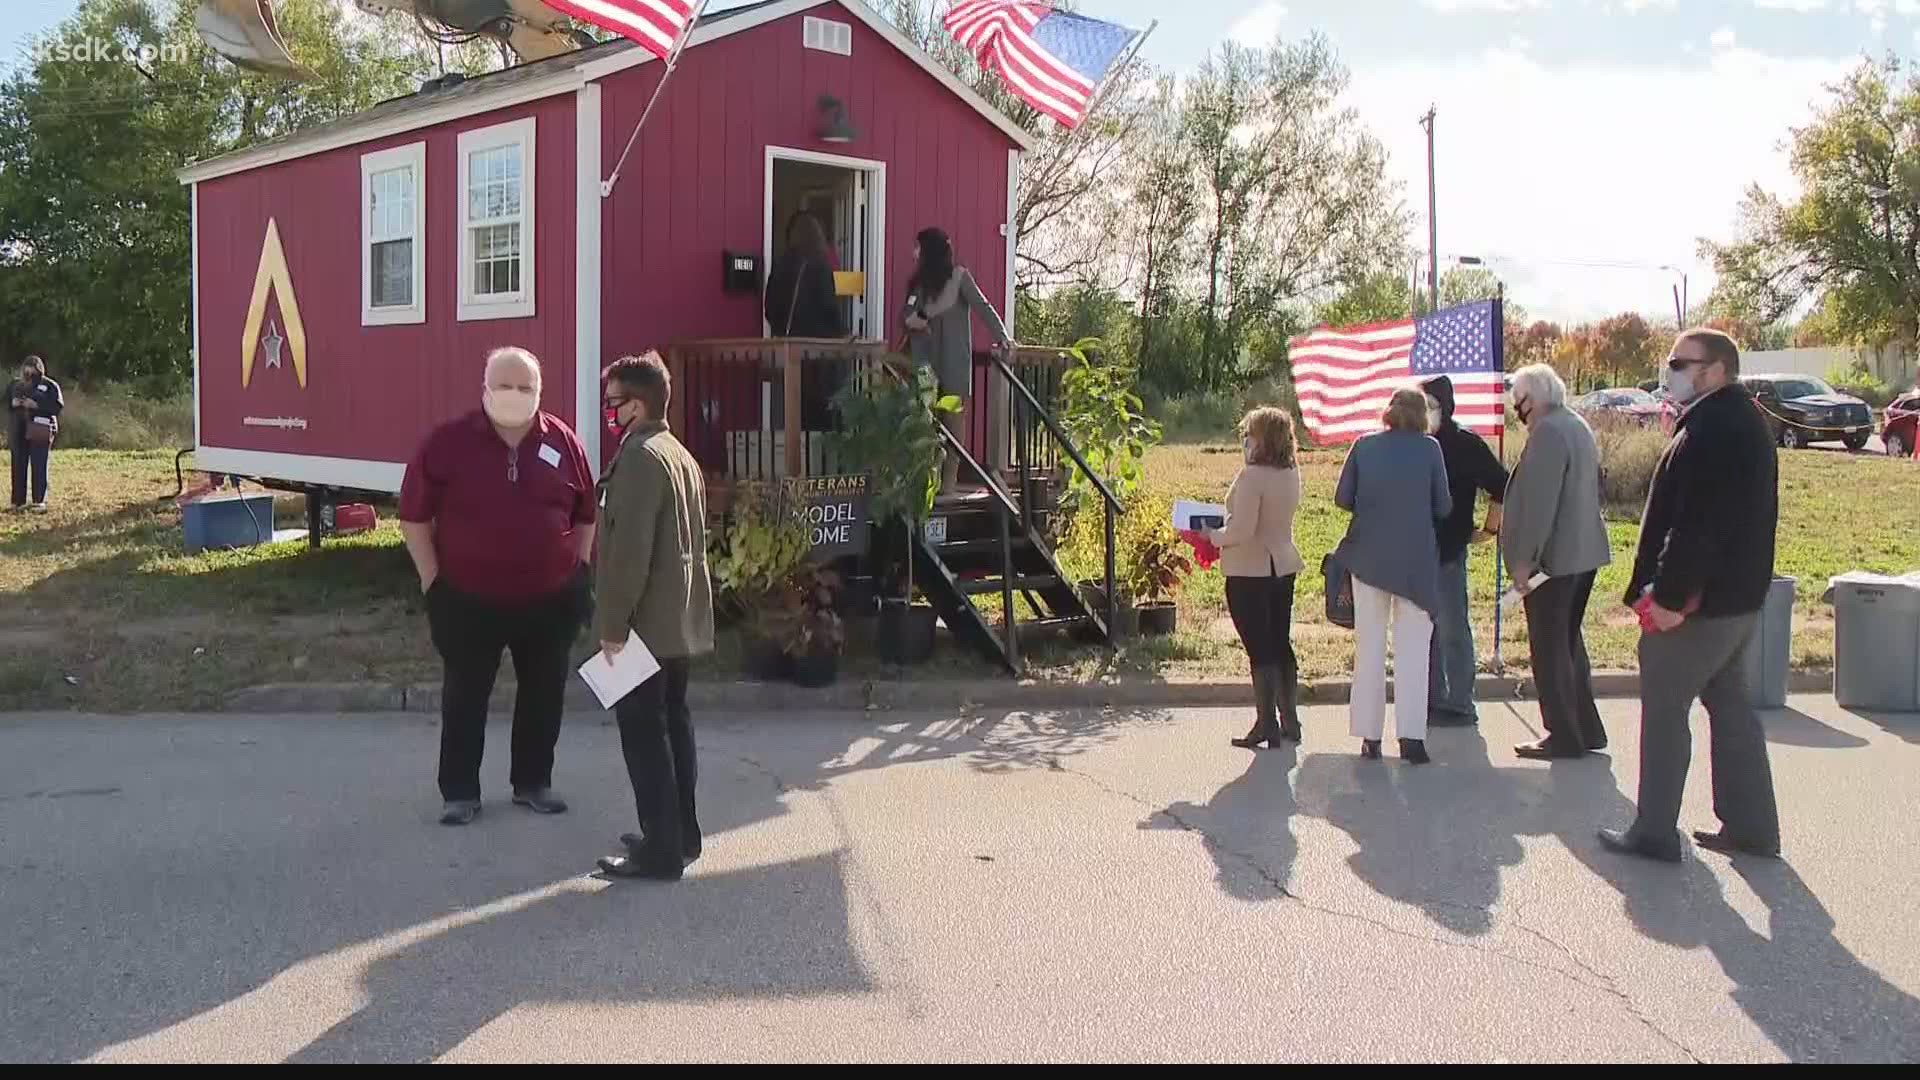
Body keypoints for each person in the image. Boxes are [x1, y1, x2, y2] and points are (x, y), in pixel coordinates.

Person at [1601, 328, 1782, 862]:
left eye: (1683, 362)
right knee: (1731, 709)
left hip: (1700, 607)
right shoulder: (1732, 420)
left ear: (1717, 369)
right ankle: (1751, 828)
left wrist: (1671, 599)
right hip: (1736, 600)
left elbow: (1698, 526)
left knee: (1664, 711)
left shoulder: (1718, 428)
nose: (1672, 370)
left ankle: (1654, 831)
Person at [398, 347, 597, 826]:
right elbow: (413, 517)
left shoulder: (564, 443)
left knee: (544, 693)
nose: (514, 394)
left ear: (540, 392)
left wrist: (580, 570)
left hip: (550, 599)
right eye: (504, 384)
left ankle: (533, 782)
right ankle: (460, 792)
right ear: (485, 388)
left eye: (524, 387)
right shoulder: (448, 443)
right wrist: (432, 581)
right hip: (467, 599)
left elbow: (587, 514)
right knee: (465, 695)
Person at [592, 351, 716, 882]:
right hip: (678, 621)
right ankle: (680, 835)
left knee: (645, 738)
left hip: (645, 625)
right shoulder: (677, 452)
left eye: (613, 403)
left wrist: (613, 630)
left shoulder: (641, 458)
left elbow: (628, 555)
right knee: (673, 728)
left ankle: (660, 851)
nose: (608, 412)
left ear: (637, 406)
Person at [1333, 387, 1452, 764]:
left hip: (1367, 558)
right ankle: (1411, 738)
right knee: (1414, 652)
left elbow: (1342, 498)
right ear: (1422, 416)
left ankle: (1370, 737)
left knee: (1369, 649)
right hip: (1415, 562)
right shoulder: (1431, 450)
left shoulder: (1363, 446)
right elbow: (1444, 505)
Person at [1501, 364, 1612, 760]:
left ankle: (1563, 734)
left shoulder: (1548, 432)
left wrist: (1522, 561)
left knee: (1549, 649)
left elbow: (1539, 504)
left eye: (1521, 403)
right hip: (1582, 552)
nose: (1519, 413)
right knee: (1568, 645)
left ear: (1538, 397)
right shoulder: (1575, 424)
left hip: (1555, 560)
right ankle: (1585, 728)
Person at [1209, 407, 1305, 749]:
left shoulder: (1251, 477)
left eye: (1249, 434)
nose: (1245, 440)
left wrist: (1212, 536)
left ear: (1261, 438)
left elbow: (1242, 529)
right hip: (1282, 564)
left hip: (1250, 569)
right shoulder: (1291, 471)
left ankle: (1266, 723)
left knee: (1258, 648)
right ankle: (1289, 718)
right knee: (1280, 642)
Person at [1420, 375, 1508, 726]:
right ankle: (1430, 700)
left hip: (1450, 550)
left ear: (1447, 406)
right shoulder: (1412, 442)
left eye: (1431, 406)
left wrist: (1489, 529)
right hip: (1414, 551)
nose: (1426, 413)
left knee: (1453, 627)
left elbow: (1501, 485)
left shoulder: (1465, 443)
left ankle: (1460, 703)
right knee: (1424, 632)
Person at [901, 227, 1011, 492]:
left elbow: (983, 307)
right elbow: (906, 317)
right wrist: (918, 319)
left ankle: (948, 483)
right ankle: (927, 482)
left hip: (954, 363)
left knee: (953, 423)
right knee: (925, 423)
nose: (913, 253)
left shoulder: (960, 278)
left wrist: (1003, 336)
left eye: (917, 247)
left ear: (929, 251)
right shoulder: (917, 286)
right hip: (925, 363)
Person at [8, 356, 64, 513]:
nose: (29, 372)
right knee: (18, 464)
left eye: (33, 368)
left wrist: (37, 405)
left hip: (40, 428)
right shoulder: (16, 384)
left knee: (39, 463)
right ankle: (17, 501)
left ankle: (39, 501)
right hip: (19, 428)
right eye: (26, 367)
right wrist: (14, 403)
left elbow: (57, 407)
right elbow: (6, 401)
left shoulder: (49, 385)